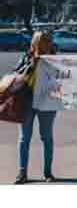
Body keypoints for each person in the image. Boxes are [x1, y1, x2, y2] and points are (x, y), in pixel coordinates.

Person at [14, 31, 57, 184]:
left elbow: (64, 77)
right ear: (34, 43)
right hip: (26, 102)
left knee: (47, 138)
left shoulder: (57, 60)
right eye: (40, 41)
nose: (43, 44)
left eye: (46, 41)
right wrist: (33, 64)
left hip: (48, 102)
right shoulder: (26, 58)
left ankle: (47, 173)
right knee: (24, 138)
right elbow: (16, 76)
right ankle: (22, 173)